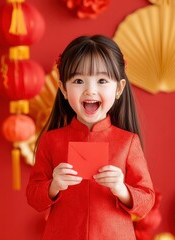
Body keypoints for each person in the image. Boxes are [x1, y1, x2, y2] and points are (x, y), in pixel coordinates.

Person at [26, 34, 155, 240]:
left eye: (102, 80)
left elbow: (146, 201)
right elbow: (33, 197)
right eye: (78, 80)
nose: (90, 90)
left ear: (119, 88)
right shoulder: (52, 140)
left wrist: (121, 189)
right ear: (63, 89)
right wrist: (54, 185)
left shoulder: (127, 142)